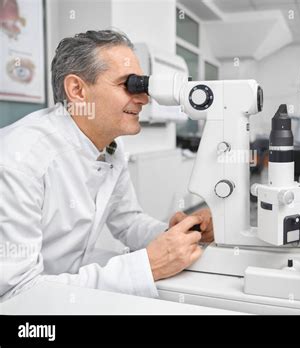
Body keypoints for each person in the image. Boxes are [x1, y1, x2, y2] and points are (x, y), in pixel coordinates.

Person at [0, 30, 213, 301]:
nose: (144, 99)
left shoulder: (110, 146)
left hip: (66, 294)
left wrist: (179, 235)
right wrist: (146, 267)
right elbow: (16, 295)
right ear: (77, 90)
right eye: (129, 85)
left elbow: (127, 221)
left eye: (142, 86)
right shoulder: (19, 161)